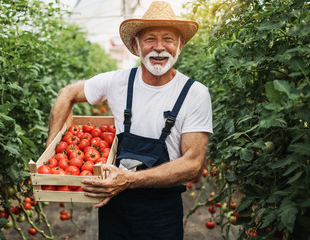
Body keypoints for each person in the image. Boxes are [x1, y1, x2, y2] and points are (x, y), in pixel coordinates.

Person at [46, 1, 212, 239]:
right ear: (136, 45)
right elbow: (67, 94)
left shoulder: (195, 93)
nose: (158, 48)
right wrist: (52, 148)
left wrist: (129, 180)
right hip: (115, 207)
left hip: (162, 213)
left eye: (168, 39)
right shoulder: (118, 81)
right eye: (149, 39)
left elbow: (193, 165)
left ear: (180, 46)